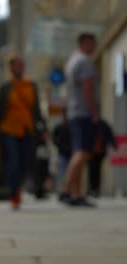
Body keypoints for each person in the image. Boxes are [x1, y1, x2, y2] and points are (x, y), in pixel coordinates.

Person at [0, 56, 47, 210]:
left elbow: (36, 110)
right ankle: (14, 193)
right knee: (13, 161)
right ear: (11, 68)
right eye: (16, 65)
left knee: (25, 162)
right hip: (9, 130)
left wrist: (42, 129)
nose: (19, 67)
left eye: (21, 65)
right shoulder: (5, 88)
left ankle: (18, 187)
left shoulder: (31, 86)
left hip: (27, 129)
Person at [60, 33, 99, 207]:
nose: (95, 47)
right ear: (86, 43)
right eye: (93, 43)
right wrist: (94, 111)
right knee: (83, 152)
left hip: (74, 111)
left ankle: (77, 194)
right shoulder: (84, 61)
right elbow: (87, 87)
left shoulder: (72, 61)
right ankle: (66, 189)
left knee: (79, 151)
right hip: (83, 112)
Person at [89, 119, 117, 198]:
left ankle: (95, 189)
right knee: (92, 170)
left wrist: (114, 145)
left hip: (100, 152)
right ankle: (93, 188)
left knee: (96, 170)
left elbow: (109, 135)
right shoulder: (88, 123)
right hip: (90, 151)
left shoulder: (103, 124)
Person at [53, 108, 72, 196]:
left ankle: (68, 191)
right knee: (62, 173)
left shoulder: (71, 127)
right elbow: (54, 139)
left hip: (71, 154)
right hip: (62, 153)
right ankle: (62, 191)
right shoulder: (58, 127)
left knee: (70, 173)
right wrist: (59, 145)